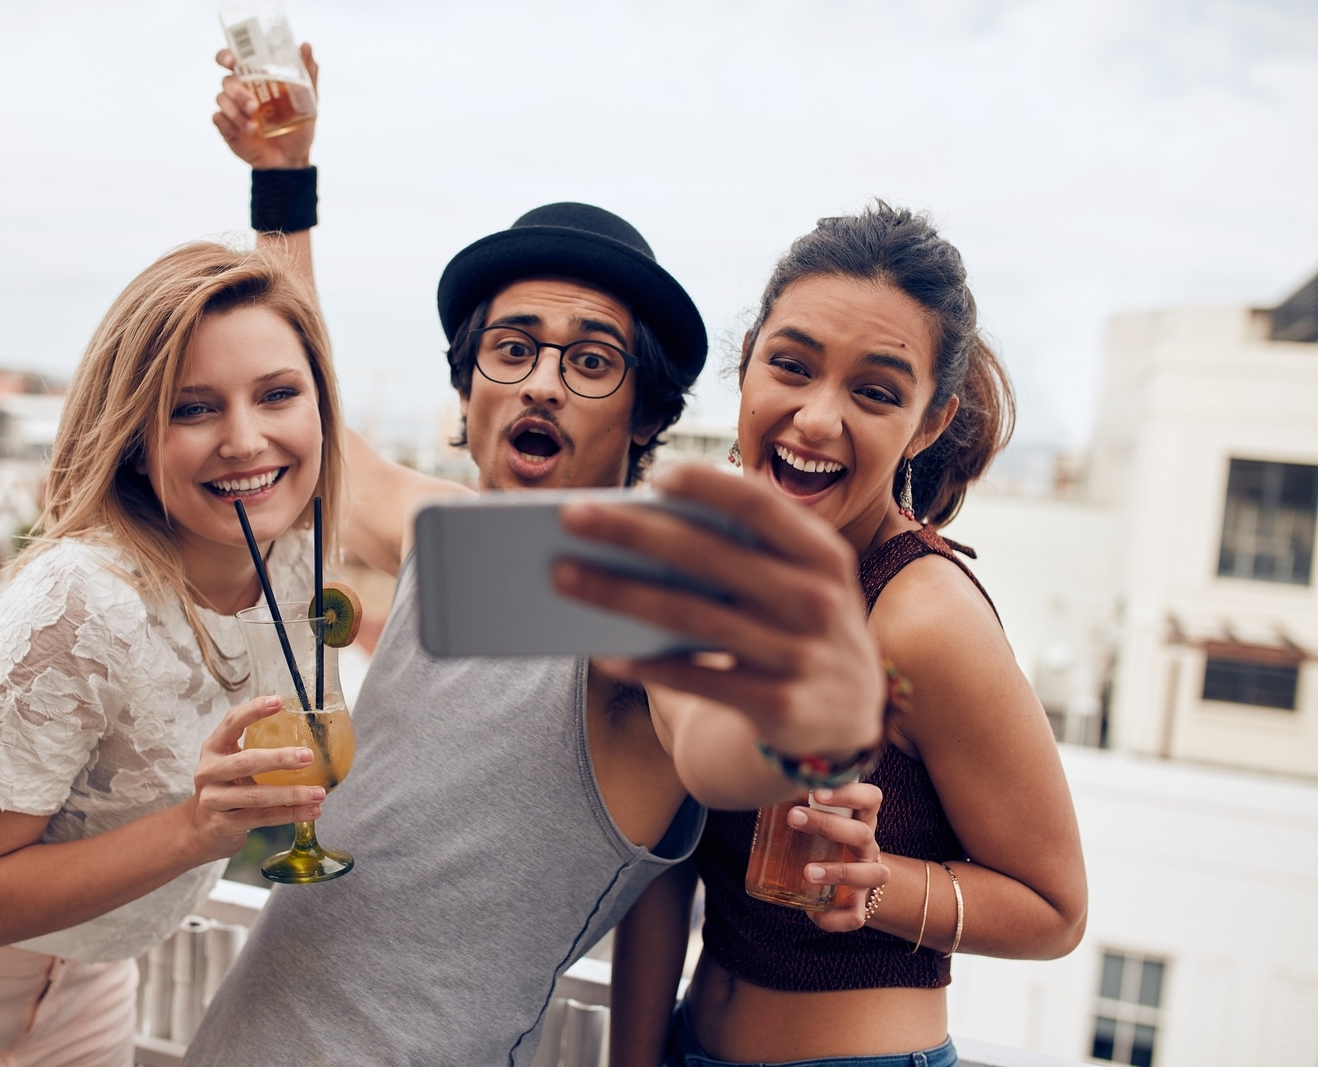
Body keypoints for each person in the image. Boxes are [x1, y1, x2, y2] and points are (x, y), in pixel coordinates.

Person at [183, 52, 891, 1067]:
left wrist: (793, 737)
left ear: (645, 413)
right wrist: (284, 181)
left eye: (591, 360)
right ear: (466, 389)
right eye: (511, 348)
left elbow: (710, 745)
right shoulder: (453, 543)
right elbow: (315, 413)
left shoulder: (632, 590)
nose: (543, 382)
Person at [0, 242, 346, 1066]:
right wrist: (197, 826)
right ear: (135, 440)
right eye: (192, 408)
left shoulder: (301, 560)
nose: (245, 439)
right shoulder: (76, 599)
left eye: (278, 393)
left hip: (88, 986)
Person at [557, 204, 1089, 1067]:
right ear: (747, 367)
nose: (814, 418)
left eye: (874, 392)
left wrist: (877, 885)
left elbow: (1056, 909)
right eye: (791, 366)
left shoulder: (920, 615)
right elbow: (670, 860)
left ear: (928, 422)